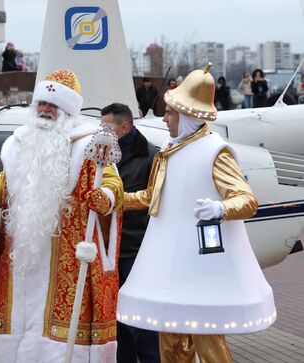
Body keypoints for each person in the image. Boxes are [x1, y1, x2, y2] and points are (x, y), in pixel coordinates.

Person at [117, 64, 276, 363]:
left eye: (170, 113)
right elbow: (153, 197)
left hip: (201, 268)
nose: (164, 119)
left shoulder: (215, 151)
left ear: (188, 116)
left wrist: (220, 208)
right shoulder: (169, 149)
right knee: (171, 339)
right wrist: (116, 199)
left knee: (208, 338)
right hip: (169, 264)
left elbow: (246, 199)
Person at [0, 69, 124, 363]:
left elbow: (112, 183)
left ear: (67, 111)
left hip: (65, 257)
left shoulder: (87, 145)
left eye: (52, 105)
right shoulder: (19, 143)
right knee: (17, 326)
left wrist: (106, 197)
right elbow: (10, 183)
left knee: (55, 340)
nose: (44, 110)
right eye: (41, 103)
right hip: (23, 256)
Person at [101, 103, 160, 363]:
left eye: (107, 126)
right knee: (118, 325)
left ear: (124, 127)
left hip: (135, 251)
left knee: (142, 324)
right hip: (107, 252)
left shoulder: (150, 157)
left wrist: (114, 199)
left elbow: (155, 201)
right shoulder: (101, 156)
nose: (101, 131)